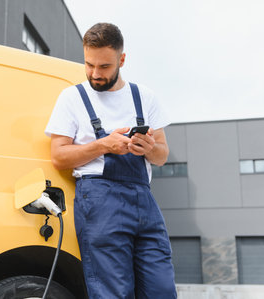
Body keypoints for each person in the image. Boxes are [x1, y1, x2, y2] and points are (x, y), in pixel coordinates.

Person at [45, 23, 176, 299]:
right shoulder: (72, 98)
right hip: (100, 202)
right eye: (89, 64)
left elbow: (162, 155)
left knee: (162, 290)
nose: (95, 74)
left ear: (122, 60)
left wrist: (148, 148)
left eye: (104, 66)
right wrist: (104, 145)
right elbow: (58, 156)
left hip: (144, 201)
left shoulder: (145, 97)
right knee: (114, 293)